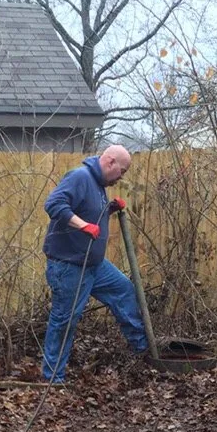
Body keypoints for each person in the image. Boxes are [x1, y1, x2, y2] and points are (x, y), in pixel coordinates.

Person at [41, 145, 148, 383]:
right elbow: (54, 204)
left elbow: (88, 211)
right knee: (65, 320)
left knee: (123, 289)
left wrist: (109, 209)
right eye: (121, 171)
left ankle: (143, 351)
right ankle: (52, 378)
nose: (121, 177)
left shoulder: (98, 186)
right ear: (110, 162)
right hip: (69, 266)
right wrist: (83, 226)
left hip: (95, 266)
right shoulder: (80, 176)